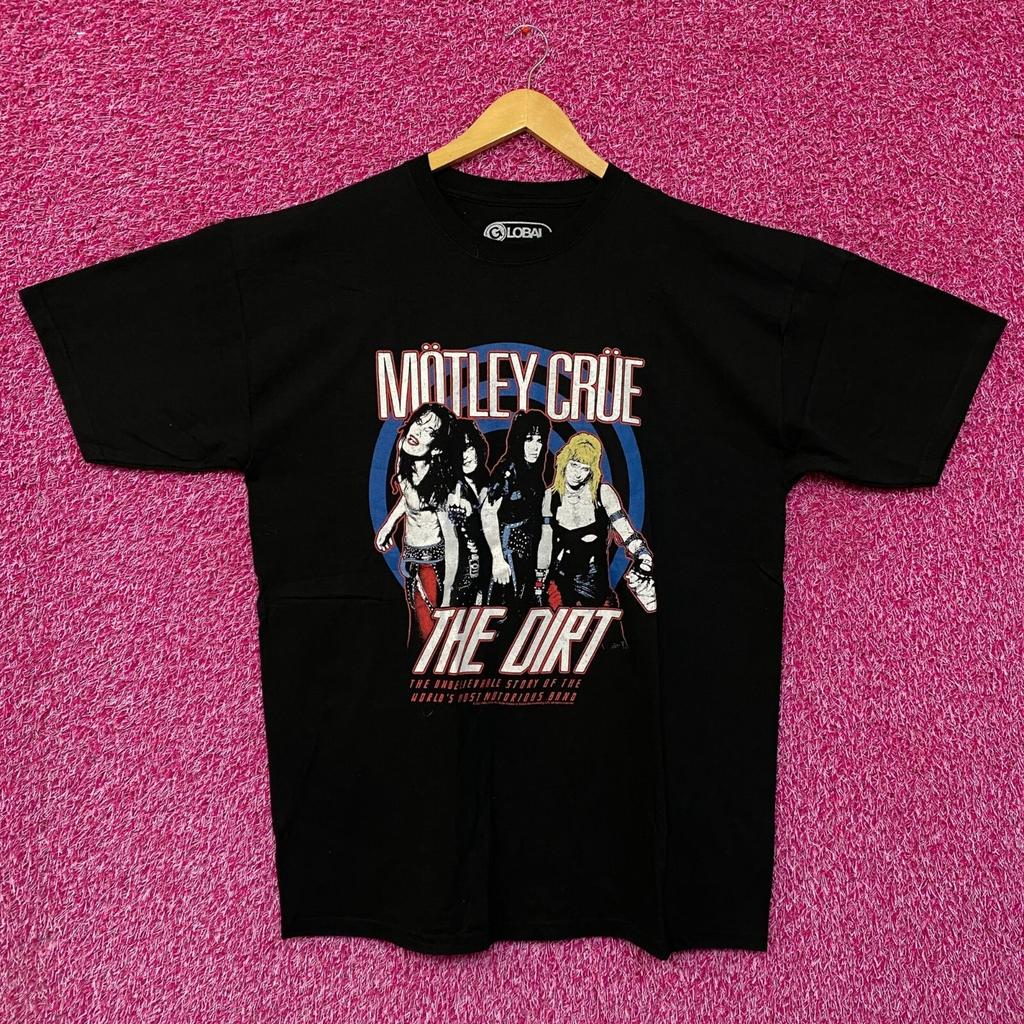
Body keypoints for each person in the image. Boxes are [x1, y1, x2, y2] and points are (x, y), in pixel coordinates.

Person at [536, 431, 656, 615]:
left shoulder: (603, 493)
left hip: (596, 582)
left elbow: (625, 531)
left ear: (592, 471)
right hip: (558, 582)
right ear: (564, 462)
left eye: (585, 468)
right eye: (574, 464)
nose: (577, 473)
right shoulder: (550, 497)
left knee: (608, 630)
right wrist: (539, 581)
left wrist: (642, 554)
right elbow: (545, 542)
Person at [374, 402, 459, 642]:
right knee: (416, 620)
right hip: (410, 556)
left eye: (429, 431)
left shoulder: (441, 483)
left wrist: (450, 586)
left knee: (428, 630)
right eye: (419, 423)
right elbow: (408, 498)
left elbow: (451, 536)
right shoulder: (405, 457)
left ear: (437, 448)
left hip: (433, 563)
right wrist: (389, 526)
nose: (418, 432)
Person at [481, 409, 551, 608]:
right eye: (529, 439)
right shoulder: (507, 470)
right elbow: (488, 512)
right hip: (507, 554)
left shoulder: (534, 472)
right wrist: (498, 558)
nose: (535, 446)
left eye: (539, 440)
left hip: (526, 557)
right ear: (519, 440)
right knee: (502, 611)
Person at [443, 419, 492, 607]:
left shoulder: (486, 481)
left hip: (489, 570)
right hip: (465, 573)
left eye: (469, 447)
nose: (465, 456)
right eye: (458, 451)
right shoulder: (455, 489)